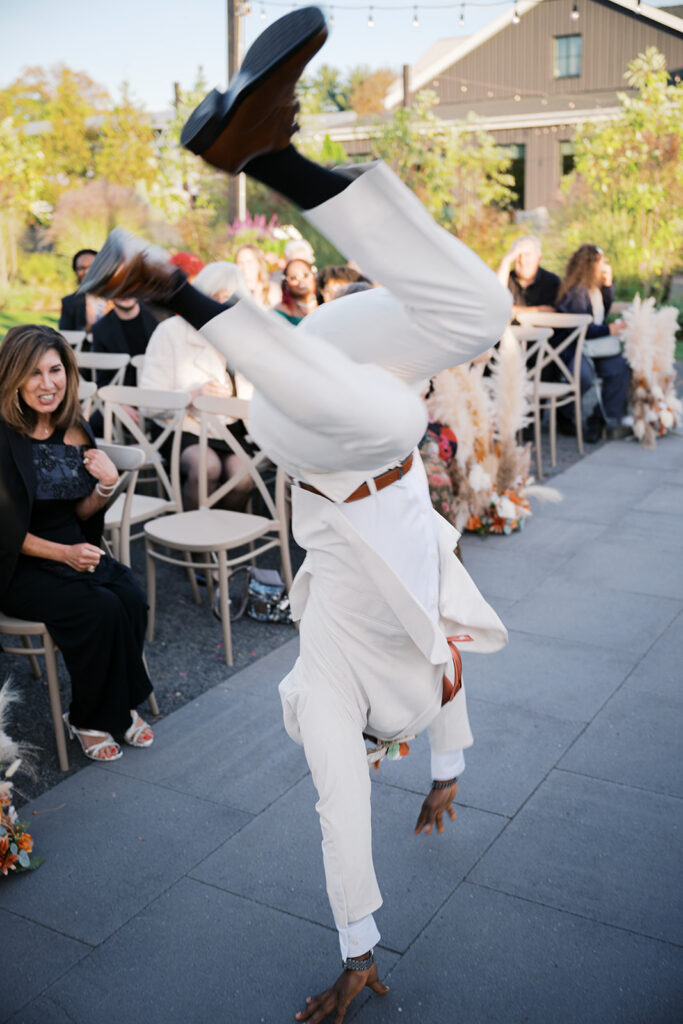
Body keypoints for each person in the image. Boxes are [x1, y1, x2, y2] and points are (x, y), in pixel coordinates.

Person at [78, 7, 510, 1019]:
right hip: (331, 364)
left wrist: (356, 949)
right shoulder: (435, 655)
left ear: (375, 733)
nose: (431, 692)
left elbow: (337, 810)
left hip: (317, 430)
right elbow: (445, 676)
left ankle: (174, 290)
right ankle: (270, 151)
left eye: (399, 741)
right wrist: (446, 772)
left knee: (385, 414)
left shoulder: (328, 696)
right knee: (474, 315)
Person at [0, 325, 155, 763]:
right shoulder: (3, 438)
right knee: (99, 609)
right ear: (12, 376)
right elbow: (5, 533)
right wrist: (63, 554)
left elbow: (81, 514)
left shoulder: (74, 429)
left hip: (74, 550)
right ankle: (87, 717)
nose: (47, 384)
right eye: (33, 374)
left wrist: (106, 485)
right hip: (19, 564)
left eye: (55, 370)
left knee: (129, 597)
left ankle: (119, 706)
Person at [140, 261, 254, 510]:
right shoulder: (171, 332)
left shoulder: (244, 337)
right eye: (214, 297)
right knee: (206, 467)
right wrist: (194, 394)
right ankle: (195, 543)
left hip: (230, 428)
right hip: (184, 427)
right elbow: (148, 401)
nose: (220, 305)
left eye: (229, 299)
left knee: (243, 476)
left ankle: (224, 534)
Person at [555, 244, 631, 440]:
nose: (605, 265)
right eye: (602, 262)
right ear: (591, 265)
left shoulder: (594, 289)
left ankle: (600, 418)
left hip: (596, 347)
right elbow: (581, 327)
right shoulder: (575, 292)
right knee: (582, 376)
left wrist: (607, 286)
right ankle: (565, 414)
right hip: (575, 349)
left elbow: (601, 314)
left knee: (620, 369)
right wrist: (610, 329)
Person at [497, 235, 560, 321]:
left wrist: (511, 310)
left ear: (539, 257)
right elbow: (495, 304)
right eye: (517, 255)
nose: (522, 261)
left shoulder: (552, 281)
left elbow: (551, 311)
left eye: (527, 255)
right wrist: (506, 260)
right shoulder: (505, 278)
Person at [59, 248, 107, 334]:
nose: (87, 272)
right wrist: (88, 329)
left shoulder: (119, 298)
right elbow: (65, 340)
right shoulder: (69, 302)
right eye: (81, 268)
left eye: (92, 267)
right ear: (76, 272)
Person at [235, 243, 281, 307]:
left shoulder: (271, 290)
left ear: (259, 264)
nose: (245, 267)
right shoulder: (232, 292)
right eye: (240, 262)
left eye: (249, 262)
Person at [275, 258, 319, 324]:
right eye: (293, 278)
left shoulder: (327, 301)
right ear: (286, 283)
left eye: (305, 275)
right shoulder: (281, 313)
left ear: (314, 275)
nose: (301, 281)